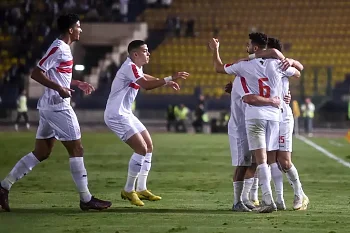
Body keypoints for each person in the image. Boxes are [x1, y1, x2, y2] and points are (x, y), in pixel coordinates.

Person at [0, 13, 112, 212]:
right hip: (57, 106)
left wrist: (75, 83)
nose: (81, 29)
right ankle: (86, 199)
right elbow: (37, 73)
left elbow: (56, 75)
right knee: (77, 150)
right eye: (78, 26)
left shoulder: (63, 48)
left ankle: (3, 186)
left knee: (42, 152)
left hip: (49, 106)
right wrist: (60, 89)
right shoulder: (59, 47)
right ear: (70, 29)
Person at [209, 32, 300, 213]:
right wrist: (289, 61)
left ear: (255, 48)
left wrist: (215, 50)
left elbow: (219, 68)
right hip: (274, 117)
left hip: (255, 116)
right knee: (268, 161)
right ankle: (268, 199)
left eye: (249, 45)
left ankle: (267, 200)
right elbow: (297, 71)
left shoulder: (243, 66)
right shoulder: (277, 64)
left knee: (259, 161)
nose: (246, 47)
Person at [104, 40, 189, 207]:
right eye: (145, 51)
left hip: (126, 114)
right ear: (135, 54)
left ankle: (141, 188)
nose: (148, 53)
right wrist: (168, 78)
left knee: (149, 146)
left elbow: (144, 77)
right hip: (116, 115)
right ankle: (128, 190)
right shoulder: (129, 67)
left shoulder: (135, 67)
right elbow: (146, 85)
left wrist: (163, 80)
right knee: (141, 149)